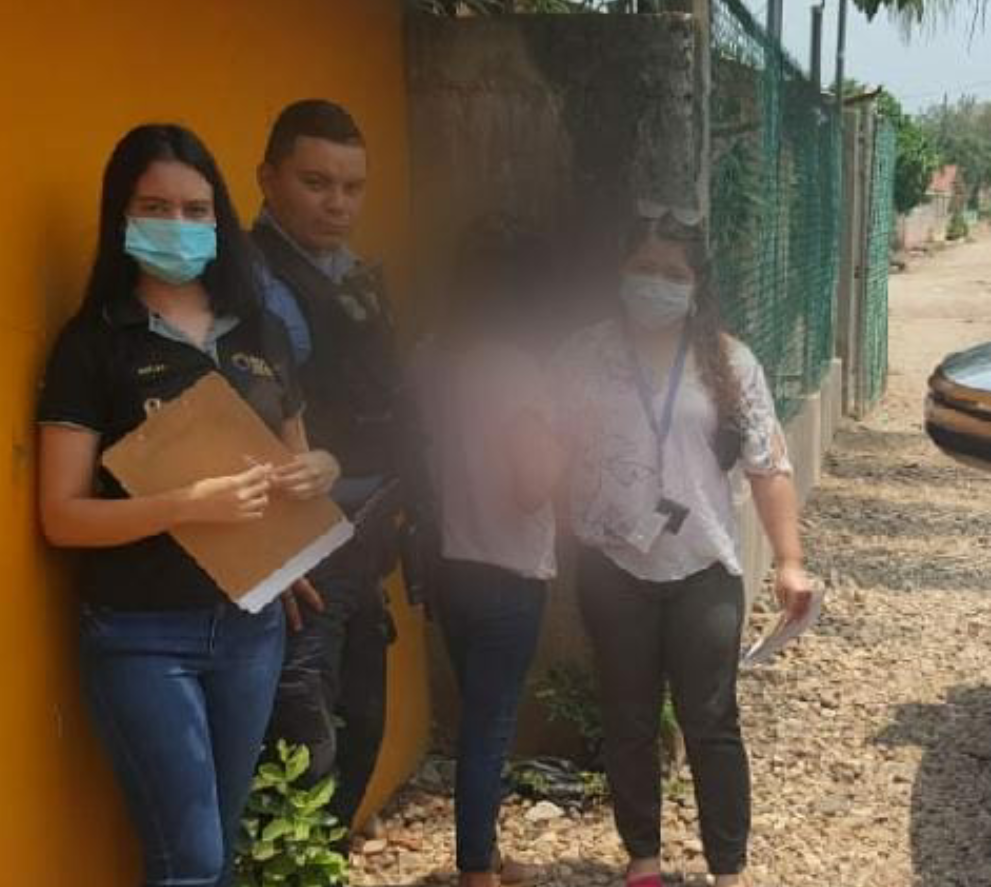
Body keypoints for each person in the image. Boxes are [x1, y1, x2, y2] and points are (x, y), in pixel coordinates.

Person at [37, 124, 340, 887]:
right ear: (122, 216)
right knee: (193, 862)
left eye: (195, 209)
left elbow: (298, 460)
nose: (178, 224)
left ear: (219, 218)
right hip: (142, 634)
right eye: (155, 207)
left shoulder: (261, 330)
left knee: (213, 851)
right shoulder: (94, 346)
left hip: (250, 628)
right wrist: (185, 503)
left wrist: (321, 472)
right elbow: (61, 515)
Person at [553, 203, 816, 887]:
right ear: (620, 272)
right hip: (612, 565)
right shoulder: (582, 356)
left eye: (674, 273)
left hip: (704, 564)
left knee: (712, 720)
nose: (658, 283)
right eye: (645, 267)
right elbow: (548, 450)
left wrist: (789, 560)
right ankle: (643, 858)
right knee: (628, 717)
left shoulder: (730, 361)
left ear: (697, 285)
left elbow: (769, 466)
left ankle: (727, 868)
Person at [249, 99, 407, 835]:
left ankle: (327, 860)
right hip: (302, 555)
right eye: (316, 183)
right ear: (268, 179)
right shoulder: (250, 286)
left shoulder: (348, 274)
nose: (337, 203)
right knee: (304, 749)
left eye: (352, 186)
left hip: (364, 538)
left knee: (361, 725)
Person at [411, 216, 565, 887]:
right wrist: (568, 446)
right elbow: (532, 487)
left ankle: (487, 851)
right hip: (509, 569)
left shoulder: (429, 357)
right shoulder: (519, 370)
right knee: (489, 727)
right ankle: (477, 869)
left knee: (477, 718)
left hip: (447, 563)